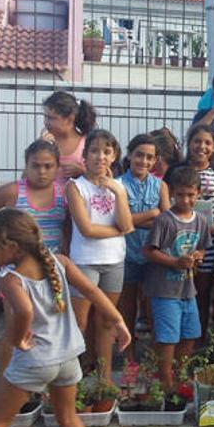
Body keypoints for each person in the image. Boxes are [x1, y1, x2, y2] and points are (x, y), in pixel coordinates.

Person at [0, 208, 130, 427]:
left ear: (12, 247)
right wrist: (118, 320)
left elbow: (24, 311)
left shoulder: (10, 279)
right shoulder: (59, 261)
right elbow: (91, 290)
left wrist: (18, 340)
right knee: (68, 417)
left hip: (35, 360)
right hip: (68, 358)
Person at [66, 129, 133, 380]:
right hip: (85, 261)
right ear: (84, 156)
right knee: (79, 324)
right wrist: (118, 229)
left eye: (106, 151)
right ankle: (70, 378)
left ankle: (104, 380)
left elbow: (126, 224)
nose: (100, 157)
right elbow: (87, 229)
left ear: (114, 156)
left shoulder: (119, 186)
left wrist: (116, 192)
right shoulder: (76, 187)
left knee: (107, 322)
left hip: (115, 261)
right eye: (94, 151)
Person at [143, 166, 210, 391]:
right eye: (180, 194)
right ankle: (165, 382)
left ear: (198, 194)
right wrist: (174, 262)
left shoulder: (201, 220)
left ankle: (181, 376)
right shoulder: (164, 220)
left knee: (191, 333)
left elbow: (203, 249)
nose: (185, 199)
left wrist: (198, 256)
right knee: (167, 337)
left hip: (187, 289)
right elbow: (149, 251)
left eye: (191, 195)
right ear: (172, 193)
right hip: (164, 290)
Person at [164, 125, 214, 341]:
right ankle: (175, 337)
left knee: (201, 293)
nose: (201, 146)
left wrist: (210, 229)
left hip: (207, 243)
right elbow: (165, 201)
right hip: (178, 242)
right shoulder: (174, 171)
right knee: (175, 291)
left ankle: (198, 339)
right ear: (189, 143)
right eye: (197, 141)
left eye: (207, 143)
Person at [118, 134, 169, 369]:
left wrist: (133, 220)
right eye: (139, 155)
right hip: (125, 254)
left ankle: (153, 361)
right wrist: (152, 214)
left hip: (153, 255)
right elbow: (120, 222)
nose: (144, 161)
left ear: (156, 160)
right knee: (126, 309)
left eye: (150, 157)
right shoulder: (118, 185)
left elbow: (167, 222)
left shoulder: (161, 186)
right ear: (129, 155)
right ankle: (129, 359)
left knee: (152, 309)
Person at [0, 140, 68, 253]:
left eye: (48, 166)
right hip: (18, 263)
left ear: (57, 167)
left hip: (53, 262)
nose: (41, 171)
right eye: (35, 166)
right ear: (27, 166)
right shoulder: (12, 191)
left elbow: (69, 228)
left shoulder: (64, 194)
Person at [41, 92, 98, 184]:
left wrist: (82, 172)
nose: (46, 122)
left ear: (70, 119)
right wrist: (41, 149)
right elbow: (27, 178)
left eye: (51, 118)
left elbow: (100, 179)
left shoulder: (87, 144)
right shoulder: (45, 142)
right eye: (45, 117)